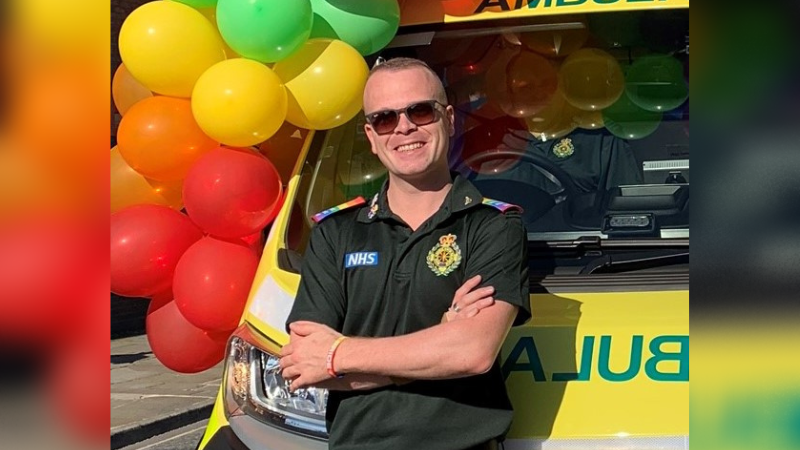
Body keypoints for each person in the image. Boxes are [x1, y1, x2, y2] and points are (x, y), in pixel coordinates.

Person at [280, 57, 531, 450]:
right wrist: (439, 343)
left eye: (419, 110)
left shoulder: (493, 225)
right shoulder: (334, 232)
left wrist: (340, 354)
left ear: (448, 118)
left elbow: (473, 352)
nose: (404, 127)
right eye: (384, 118)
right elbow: (305, 364)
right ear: (370, 135)